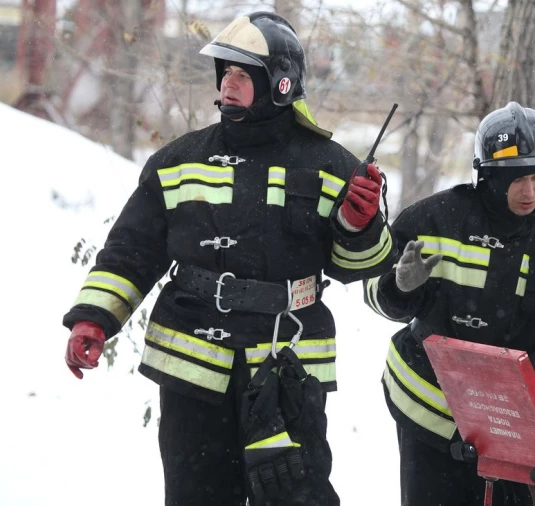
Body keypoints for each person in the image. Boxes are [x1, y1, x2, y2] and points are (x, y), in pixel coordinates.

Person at [62, 12, 397, 506]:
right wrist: (93, 318)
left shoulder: (332, 166)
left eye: (244, 74)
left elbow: (360, 266)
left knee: (295, 497)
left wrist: (359, 224)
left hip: (288, 368)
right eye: (225, 73)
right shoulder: (179, 161)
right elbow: (132, 250)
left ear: (280, 83)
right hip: (190, 364)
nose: (229, 83)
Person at [363, 102, 535, 506]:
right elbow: (376, 291)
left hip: (512, 427)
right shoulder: (434, 219)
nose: (530, 192)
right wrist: (400, 287)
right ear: (488, 177)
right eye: (517, 180)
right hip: (428, 407)